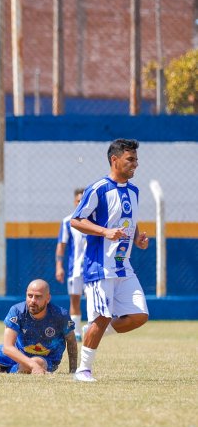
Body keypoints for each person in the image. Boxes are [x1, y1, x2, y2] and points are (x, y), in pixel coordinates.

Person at [70, 139, 149, 383]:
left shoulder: (134, 191)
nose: (136, 164)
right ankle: (83, 371)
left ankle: (93, 332)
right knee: (102, 317)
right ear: (114, 160)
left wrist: (137, 238)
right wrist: (104, 232)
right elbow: (76, 220)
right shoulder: (98, 189)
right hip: (100, 266)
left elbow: (128, 222)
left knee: (139, 315)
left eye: (135, 159)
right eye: (130, 159)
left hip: (123, 266)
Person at [55, 188, 87, 342]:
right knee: (75, 299)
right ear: (74, 202)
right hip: (75, 269)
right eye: (78, 200)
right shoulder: (68, 221)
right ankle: (77, 331)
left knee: (94, 300)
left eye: (83, 200)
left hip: (93, 268)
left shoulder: (95, 219)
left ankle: (93, 329)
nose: (80, 203)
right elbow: (61, 245)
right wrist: (59, 266)